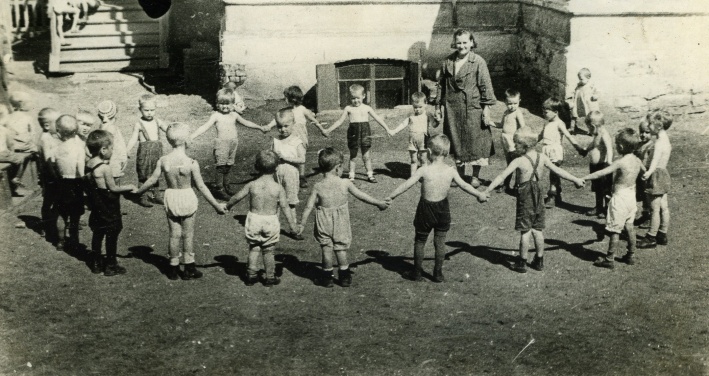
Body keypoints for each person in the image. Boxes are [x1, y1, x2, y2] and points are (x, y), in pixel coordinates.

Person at [387, 134, 488, 282]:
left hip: (425, 209)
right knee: (440, 241)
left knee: (420, 240)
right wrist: (479, 194)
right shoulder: (451, 170)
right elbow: (465, 185)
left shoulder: (424, 170)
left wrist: (391, 196)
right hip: (443, 208)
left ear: (428, 152)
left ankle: (416, 273)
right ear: (447, 153)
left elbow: (407, 184)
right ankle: (438, 273)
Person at [134, 123, 226, 280]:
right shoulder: (191, 163)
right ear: (187, 140)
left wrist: (138, 191)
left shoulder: (163, 160)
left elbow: (152, 180)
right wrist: (216, 205)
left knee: (174, 235)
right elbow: (201, 186)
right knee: (188, 235)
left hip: (171, 197)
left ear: (169, 141)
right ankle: (189, 267)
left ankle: (173, 267)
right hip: (187, 197)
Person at [485, 127, 584, 273]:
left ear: (524, 145)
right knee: (538, 230)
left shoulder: (519, 161)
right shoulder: (542, 157)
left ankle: (522, 262)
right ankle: (539, 260)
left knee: (525, 231)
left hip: (525, 197)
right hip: (539, 195)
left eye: (516, 144)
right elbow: (559, 171)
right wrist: (576, 179)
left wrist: (487, 190)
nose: (514, 146)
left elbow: (502, 176)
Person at [298, 148, 389, 288]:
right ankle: (344, 276)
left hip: (323, 221)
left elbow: (309, 207)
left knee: (326, 248)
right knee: (340, 249)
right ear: (337, 168)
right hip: (340, 221)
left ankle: (327, 278)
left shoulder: (318, 186)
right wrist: (378, 203)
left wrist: (302, 224)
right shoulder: (345, 183)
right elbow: (361, 196)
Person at [225, 150, 298, 287]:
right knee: (269, 250)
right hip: (270, 220)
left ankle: (251, 274)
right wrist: (292, 225)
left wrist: (227, 206)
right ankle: (270, 276)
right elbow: (285, 208)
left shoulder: (252, 185)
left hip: (254, 219)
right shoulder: (278, 188)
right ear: (276, 168)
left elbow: (237, 197)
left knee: (254, 247)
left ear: (256, 167)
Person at [435, 29, 496, 187]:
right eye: (459, 43)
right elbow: (441, 86)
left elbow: (486, 87)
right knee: (456, 140)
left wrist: (486, 110)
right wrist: (437, 107)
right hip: (452, 109)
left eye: (465, 42)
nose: (462, 46)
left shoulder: (478, 62)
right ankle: (460, 176)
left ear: (471, 43)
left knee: (476, 141)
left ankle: (475, 176)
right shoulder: (448, 62)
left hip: (473, 108)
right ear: (454, 43)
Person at [581, 128, 644, 268]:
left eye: (616, 144)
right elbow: (644, 173)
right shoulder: (637, 160)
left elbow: (601, 173)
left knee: (614, 230)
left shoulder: (620, 162)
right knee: (629, 227)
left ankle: (609, 259)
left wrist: (585, 178)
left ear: (621, 147)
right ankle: (631, 255)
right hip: (631, 197)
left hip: (620, 198)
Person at [190, 88, 262, 200]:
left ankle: (226, 185)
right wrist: (192, 136)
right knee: (221, 166)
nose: (224, 106)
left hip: (233, 142)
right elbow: (205, 126)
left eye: (227, 103)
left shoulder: (234, 115)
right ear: (217, 104)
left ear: (233, 104)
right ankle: (219, 189)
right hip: (221, 144)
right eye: (221, 103)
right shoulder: (216, 116)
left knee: (229, 165)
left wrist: (259, 127)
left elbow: (246, 122)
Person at [85, 130, 136, 276]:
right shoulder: (105, 168)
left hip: (95, 205)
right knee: (112, 234)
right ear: (103, 149)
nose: (113, 151)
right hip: (108, 204)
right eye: (112, 148)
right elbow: (113, 188)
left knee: (98, 232)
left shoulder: (88, 164)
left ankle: (96, 263)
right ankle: (111, 265)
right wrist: (130, 187)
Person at [323, 84, 391, 183]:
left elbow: (378, 119)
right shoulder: (348, 108)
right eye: (353, 98)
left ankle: (370, 175)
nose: (355, 101)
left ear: (363, 96)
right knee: (353, 156)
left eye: (358, 98)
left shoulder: (367, 108)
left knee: (366, 156)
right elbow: (339, 121)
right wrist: (328, 130)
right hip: (353, 134)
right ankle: (351, 176)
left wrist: (387, 129)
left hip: (365, 133)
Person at [262, 86, 327, 188]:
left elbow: (313, 120)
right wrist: (269, 126)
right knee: (288, 154)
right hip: (288, 138)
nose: (284, 99)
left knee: (300, 156)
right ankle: (284, 173)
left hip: (301, 137)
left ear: (293, 98)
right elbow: (277, 120)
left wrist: (322, 130)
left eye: (286, 97)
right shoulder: (285, 111)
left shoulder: (302, 109)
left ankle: (301, 176)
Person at [538, 97, 583, 208]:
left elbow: (568, 136)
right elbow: (540, 136)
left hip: (555, 151)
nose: (544, 113)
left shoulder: (559, 123)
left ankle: (552, 195)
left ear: (555, 112)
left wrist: (578, 147)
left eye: (546, 112)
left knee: (553, 173)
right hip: (546, 150)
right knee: (554, 173)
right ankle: (557, 193)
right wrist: (529, 144)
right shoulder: (547, 123)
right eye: (543, 111)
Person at [637, 110, 673, 249]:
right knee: (664, 207)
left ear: (658, 126)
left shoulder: (658, 142)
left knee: (655, 208)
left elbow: (655, 160)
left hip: (656, 175)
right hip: (663, 173)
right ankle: (662, 233)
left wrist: (648, 173)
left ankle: (651, 236)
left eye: (650, 124)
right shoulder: (665, 138)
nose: (648, 126)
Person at [125, 94, 168, 207]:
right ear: (140, 109)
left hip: (157, 152)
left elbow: (168, 130)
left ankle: (157, 195)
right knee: (143, 174)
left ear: (156, 109)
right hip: (144, 153)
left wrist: (177, 132)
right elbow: (134, 138)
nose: (149, 113)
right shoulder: (139, 124)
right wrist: (127, 150)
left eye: (152, 110)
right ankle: (142, 196)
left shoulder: (158, 121)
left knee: (157, 173)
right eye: (146, 110)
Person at [51, 115, 85, 252]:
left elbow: (54, 167)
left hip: (61, 184)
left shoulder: (56, 149)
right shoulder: (79, 149)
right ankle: (74, 241)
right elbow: (81, 172)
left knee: (61, 214)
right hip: (75, 183)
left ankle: (60, 241)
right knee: (75, 216)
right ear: (76, 131)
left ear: (58, 132)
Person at [271, 107, 306, 240]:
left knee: (290, 202)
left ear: (293, 124)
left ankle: (293, 228)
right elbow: (271, 156)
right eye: (280, 127)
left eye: (286, 126)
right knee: (276, 202)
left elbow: (302, 159)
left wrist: (285, 158)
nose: (283, 129)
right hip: (276, 175)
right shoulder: (276, 141)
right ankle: (274, 229)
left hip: (291, 175)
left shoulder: (297, 141)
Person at [389, 91, 440, 177]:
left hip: (423, 140)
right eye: (415, 107)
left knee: (423, 160)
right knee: (413, 160)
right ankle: (412, 177)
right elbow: (403, 124)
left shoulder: (428, 114)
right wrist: (394, 131)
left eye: (420, 107)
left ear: (426, 104)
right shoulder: (411, 115)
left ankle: (425, 176)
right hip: (412, 140)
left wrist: (437, 121)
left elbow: (434, 125)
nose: (417, 109)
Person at [578, 111, 613, 218]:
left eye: (588, 128)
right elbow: (593, 144)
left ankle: (607, 208)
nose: (588, 130)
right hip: (595, 167)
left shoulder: (604, 134)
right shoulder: (597, 134)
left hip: (603, 166)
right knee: (597, 188)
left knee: (605, 189)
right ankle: (598, 207)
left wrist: (609, 162)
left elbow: (609, 148)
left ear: (593, 126)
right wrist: (586, 150)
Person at [495, 89, 526, 193]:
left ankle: (518, 185)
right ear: (505, 102)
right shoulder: (506, 112)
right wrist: (490, 122)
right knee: (509, 164)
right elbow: (501, 125)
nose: (512, 106)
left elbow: (523, 127)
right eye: (509, 104)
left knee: (516, 164)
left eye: (515, 103)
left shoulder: (518, 113)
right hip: (505, 140)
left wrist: (520, 140)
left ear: (519, 101)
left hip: (513, 141)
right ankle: (506, 185)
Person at [37, 108, 61, 240]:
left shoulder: (46, 136)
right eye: (56, 124)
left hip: (48, 174)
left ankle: (47, 224)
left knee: (48, 201)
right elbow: (47, 160)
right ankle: (48, 226)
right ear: (47, 125)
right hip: (50, 175)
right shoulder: (45, 139)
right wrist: (55, 176)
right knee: (52, 201)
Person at [97, 100, 128, 181]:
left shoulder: (105, 127)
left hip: (114, 159)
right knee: (113, 182)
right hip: (113, 161)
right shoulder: (110, 128)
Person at [633, 119, 653, 227]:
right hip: (639, 175)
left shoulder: (651, 146)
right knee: (642, 196)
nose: (643, 134)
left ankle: (649, 217)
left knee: (648, 197)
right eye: (641, 132)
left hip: (646, 174)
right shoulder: (639, 144)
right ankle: (645, 215)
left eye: (647, 132)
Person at [568, 68, 599, 135]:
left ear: (588, 78)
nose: (580, 81)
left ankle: (592, 130)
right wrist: (572, 100)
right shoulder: (578, 85)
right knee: (574, 115)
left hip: (587, 104)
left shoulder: (591, 85)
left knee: (589, 118)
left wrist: (595, 96)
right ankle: (572, 128)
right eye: (579, 79)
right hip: (578, 103)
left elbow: (596, 92)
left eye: (581, 79)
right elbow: (574, 92)